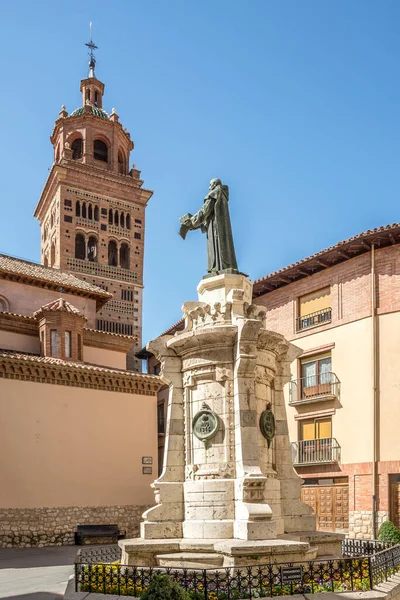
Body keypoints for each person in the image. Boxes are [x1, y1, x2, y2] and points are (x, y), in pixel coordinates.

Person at [179, 178, 239, 276]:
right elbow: (209, 215)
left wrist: (190, 222)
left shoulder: (214, 194)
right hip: (219, 227)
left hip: (215, 228)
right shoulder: (222, 195)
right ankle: (222, 267)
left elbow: (204, 212)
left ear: (214, 184)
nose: (209, 187)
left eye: (210, 185)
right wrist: (195, 225)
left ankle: (217, 268)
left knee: (217, 247)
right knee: (223, 246)